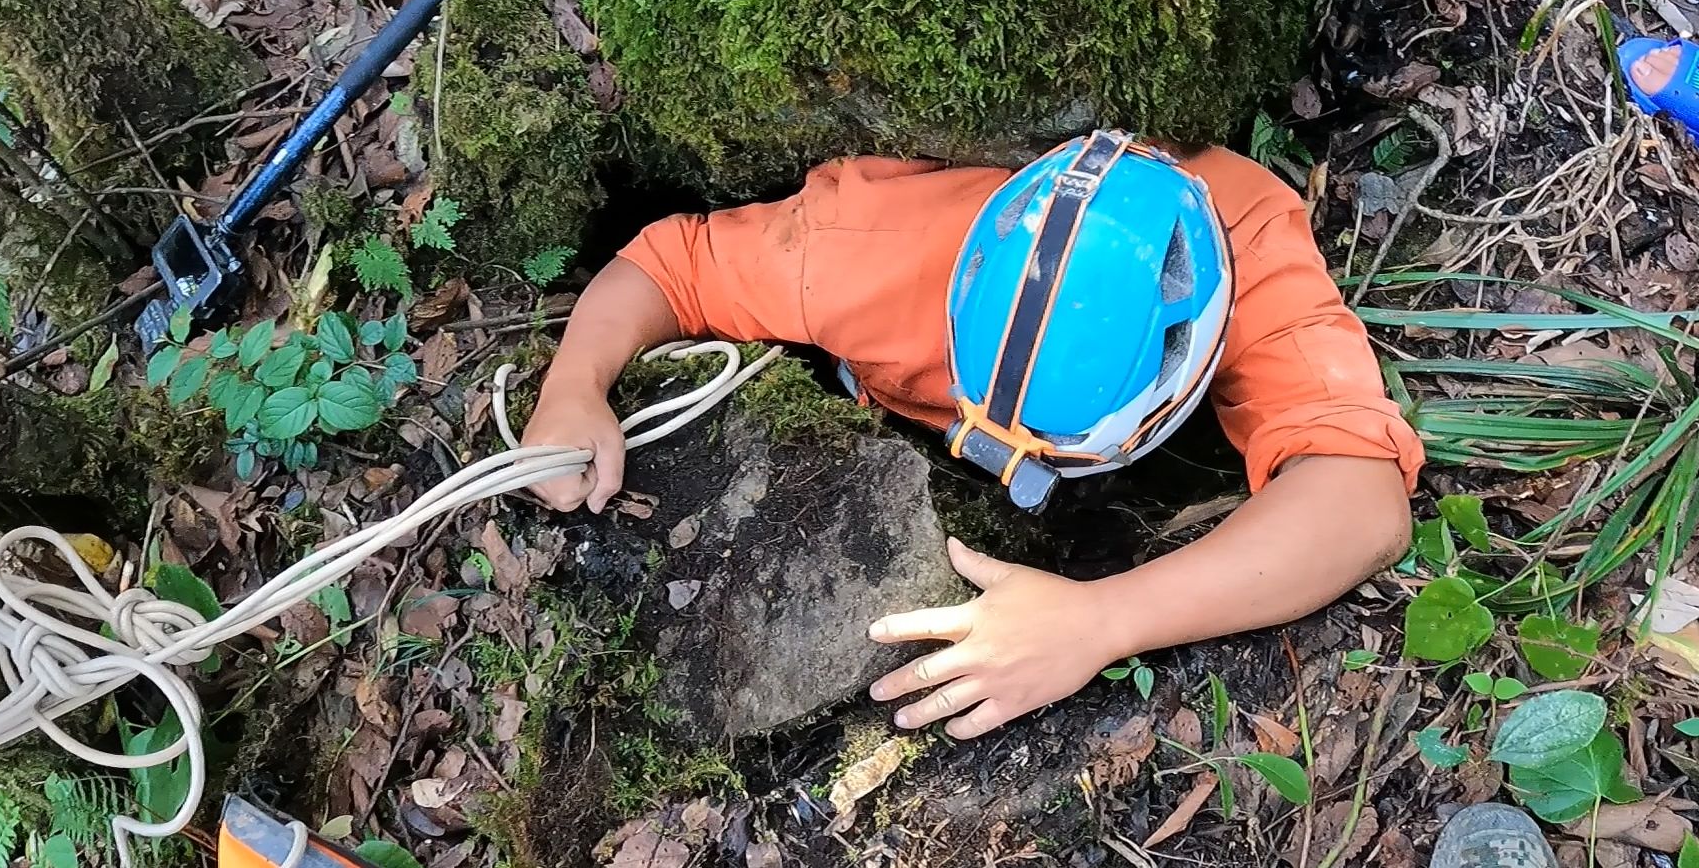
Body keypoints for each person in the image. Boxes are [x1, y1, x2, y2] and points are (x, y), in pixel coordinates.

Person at [521, 129, 1423, 739]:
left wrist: (1100, 619)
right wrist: (575, 383)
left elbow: (1359, 498)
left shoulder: (1246, 237)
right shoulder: (856, 246)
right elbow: (669, 265)